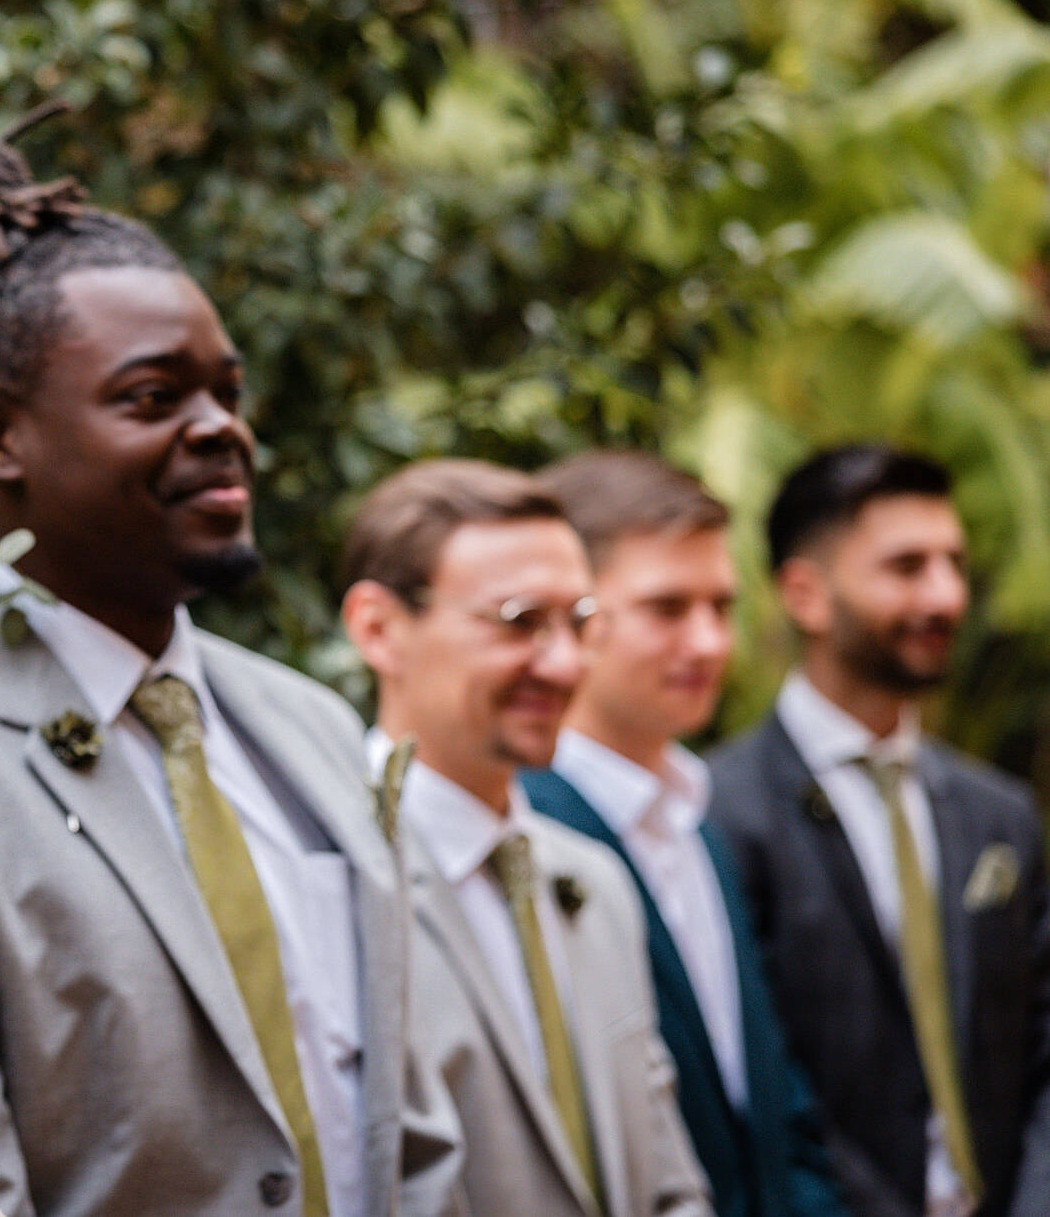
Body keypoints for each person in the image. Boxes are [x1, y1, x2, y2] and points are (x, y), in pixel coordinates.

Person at [0, 114, 412, 1217]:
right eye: (154, 399)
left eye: (226, 394)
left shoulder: (313, 727)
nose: (221, 431)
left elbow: (408, 1127)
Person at [340, 458, 711, 1217]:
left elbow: (668, 1176)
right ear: (379, 630)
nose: (566, 663)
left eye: (579, 624)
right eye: (518, 622)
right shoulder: (330, 874)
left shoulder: (595, 881)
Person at [708, 445, 1050, 1217]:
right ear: (806, 594)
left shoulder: (1000, 813)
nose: (946, 595)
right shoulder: (721, 814)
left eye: (953, 564)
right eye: (906, 567)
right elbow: (759, 1075)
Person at [519, 450, 844, 1217]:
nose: (708, 643)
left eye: (722, 607)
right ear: (572, 616)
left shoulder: (700, 817)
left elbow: (771, 1099)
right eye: (668, 609)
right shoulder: (525, 831)